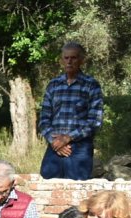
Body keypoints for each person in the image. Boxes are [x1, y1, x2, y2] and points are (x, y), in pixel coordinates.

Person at [39, 42, 103, 181]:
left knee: (77, 189)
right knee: (48, 183)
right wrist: (54, 141)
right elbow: (44, 119)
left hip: (80, 148)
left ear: (81, 60)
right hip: (54, 146)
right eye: (66, 58)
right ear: (62, 60)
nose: (69, 61)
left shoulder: (91, 84)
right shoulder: (53, 84)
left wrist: (68, 138)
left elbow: (95, 122)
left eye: (73, 58)